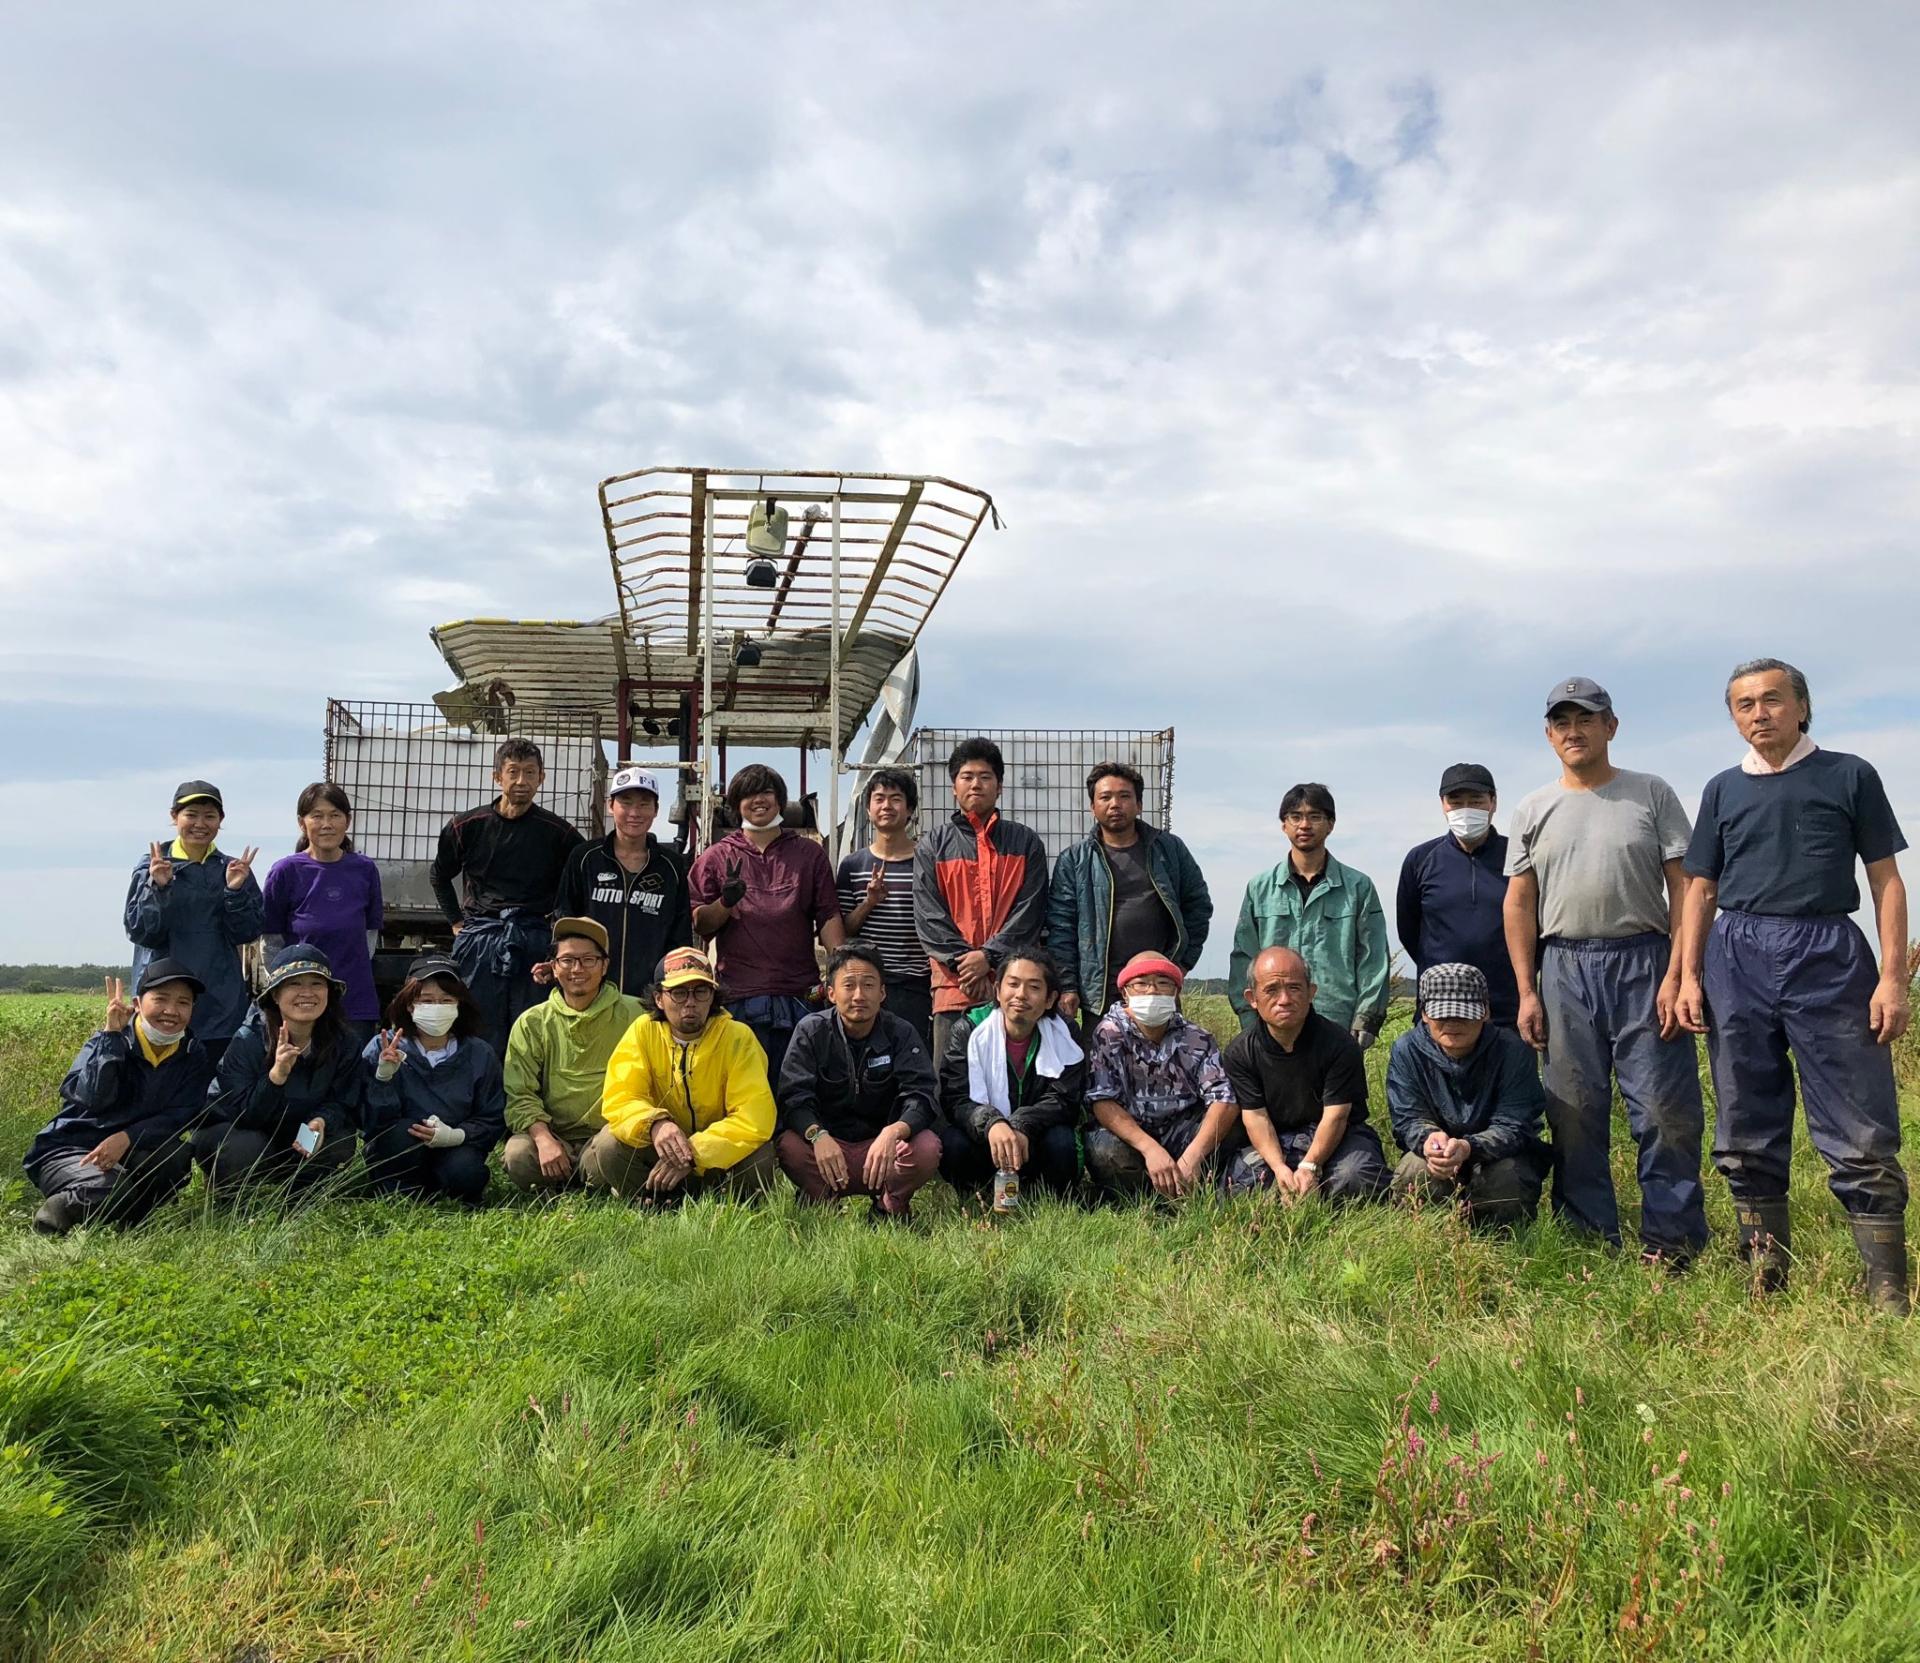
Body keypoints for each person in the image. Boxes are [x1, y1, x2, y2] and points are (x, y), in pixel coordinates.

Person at [1677, 658, 1912, 1312]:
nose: (1759, 713)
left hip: (1827, 951)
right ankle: (1765, 1276)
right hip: (1738, 953)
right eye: (1745, 704)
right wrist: (1690, 975)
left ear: (1801, 707)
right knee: (1743, 1119)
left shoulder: (1849, 775)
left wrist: (1892, 977)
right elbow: (1700, 888)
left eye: (1772, 700)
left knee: (1860, 1123)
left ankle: (1888, 1290)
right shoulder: (1722, 789)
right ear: (1733, 717)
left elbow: (1886, 881)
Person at [1502, 676, 1708, 1265]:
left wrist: (1679, 971)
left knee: (1664, 1109)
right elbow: (1519, 902)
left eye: (1585, 719)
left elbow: (1686, 887)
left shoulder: (1651, 793)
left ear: (1610, 726)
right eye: (1562, 723)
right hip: (1563, 966)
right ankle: (1589, 1239)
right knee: (1573, 1111)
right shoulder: (1533, 808)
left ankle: (1673, 1242)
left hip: (1645, 961)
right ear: (1549, 735)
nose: (1574, 731)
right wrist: (1526, 990)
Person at [24, 964, 214, 1235]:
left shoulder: (192, 1052)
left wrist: (127, 1136)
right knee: (111, 1189)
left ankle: (133, 1222)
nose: (171, 1011)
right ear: (137, 1003)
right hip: (69, 1149)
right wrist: (111, 1036)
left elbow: (182, 1113)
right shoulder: (107, 1040)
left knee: (174, 1157)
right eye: (160, 999)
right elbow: (93, 1098)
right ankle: (58, 1212)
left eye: (183, 1002)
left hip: (129, 1148)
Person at [689, 765, 845, 1078]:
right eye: (748, 794)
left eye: (766, 793)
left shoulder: (808, 854)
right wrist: (725, 903)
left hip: (800, 996)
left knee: (798, 1086)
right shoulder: (716, 856)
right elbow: (699, 924)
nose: (758, 800)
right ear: (736, 805)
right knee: (744, 1086)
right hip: (739, 998)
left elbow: (828, 914)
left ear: (780, 800)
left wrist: (842, 971)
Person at [431, 739, 585, 1050]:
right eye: (513, 772)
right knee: (477, 1029)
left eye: (530, 773)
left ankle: (526, 1097)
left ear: (541, 778)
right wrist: (456, 923)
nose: (521, 782)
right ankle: (482, 1097)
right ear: (496, 776)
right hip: (480, 937)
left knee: (532, 1030)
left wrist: (561, 933)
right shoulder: (467, 826)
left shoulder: (559, 833)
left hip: (534, 939)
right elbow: (439, 876)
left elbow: (579, 883)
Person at [595, 946, 780, 1201]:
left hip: (717, 1160)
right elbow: (620, 1098)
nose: (690, 1002)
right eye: (679, 993)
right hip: (661, 1155)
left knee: (761, 1151)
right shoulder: (642, 1031)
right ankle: (651, 1203)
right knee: (608, 1144)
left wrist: (694, 1153)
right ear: (659, 998)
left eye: (701, 991)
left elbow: (754, 1118)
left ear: (713, 996)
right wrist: (655, 1124)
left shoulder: (738, 1037)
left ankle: (731, 1210)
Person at [775, 944, 943, 1219]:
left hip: (882, 1148)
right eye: (849, 985)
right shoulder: (811, 1031)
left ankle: (889, 1206)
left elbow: (922, 1095)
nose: (858, 996)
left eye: (868, 985)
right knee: (789, 1145)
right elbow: (793, 1099)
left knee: (927, 1147)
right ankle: (822, 1202)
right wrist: (818, 1135)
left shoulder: (901, 1032)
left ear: (882, 992)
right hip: (828, 1146)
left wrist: (894, 1132)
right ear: (831, 993)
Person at [915, 737, 1051, 1062]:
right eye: (967, 776)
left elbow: (1029, 912)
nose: (976, 784)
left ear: (999, 786)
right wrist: (967, 966)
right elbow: (929, 917)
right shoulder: (932, 846)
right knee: (951, 1081)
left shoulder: (1026, 843)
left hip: (1013, 986)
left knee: (1011, 1075)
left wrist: (989, 959)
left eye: (985, 777)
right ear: (953, 786)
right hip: (954, 985)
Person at [1220, 947, 1392, 1204]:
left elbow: (1337, 1115)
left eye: (1294, 988)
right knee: (1240, 1187)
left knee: (1356, 1177)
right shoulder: (1240, 1052)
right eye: (1271, 990)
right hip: (1277, 1138)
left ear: (1311, 992)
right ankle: (1301, 1192)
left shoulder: (1340, 1044)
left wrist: (1310, 1166)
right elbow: (1255, 1116)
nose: (1285, 999)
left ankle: (1316, 1191)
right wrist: (1279, 1168)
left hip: (1341, 1134)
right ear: (1252, 998)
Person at [1048, 760, 1213, 1027]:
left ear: (1139, 805)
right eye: (1105, 797)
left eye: (1124, 796)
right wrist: (1067, 985)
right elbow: (1061, 927)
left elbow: (1198, 906)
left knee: (1163, 1061)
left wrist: (1180, 964)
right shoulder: (1074, 860)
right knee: (1102, 1062)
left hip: (1156, 985)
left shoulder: (1168, 850)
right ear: (1093, 808)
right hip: (1100, 991)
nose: (1115, 804)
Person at [1386, 963, 1552, 1228]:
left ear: (1485, 1012)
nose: (1452, 1023)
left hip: (1500, 1155)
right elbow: (1408, 1118)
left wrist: (1468, 1147)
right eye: (1442, 1014)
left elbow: (1515, 1126)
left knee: (1506, 1179)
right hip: (1437, 1155)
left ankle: (1498, 1240)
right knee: (1413, 1171)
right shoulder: (1406, 1050)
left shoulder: (1513, 1052)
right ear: (1425, 1013)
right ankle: (1424, 1236)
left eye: (1463, 1014)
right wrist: (1428, 1139)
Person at [1228, 783, 1390, 1047]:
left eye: (1315, 816)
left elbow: (1373, 959)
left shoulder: (1358, 887)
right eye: (1295, 817)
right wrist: (1249, 1017)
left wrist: (1366, 1019)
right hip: (1274, 1021)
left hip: (1338, 1021)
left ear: (1331, 824)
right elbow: (1243, 956)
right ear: (1284, 825)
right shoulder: (1260, 888)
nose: (1305, 825)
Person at [194, 945, 360, 1198]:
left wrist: (321, 1120)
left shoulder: (343, 1041)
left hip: (294, 1132)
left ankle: (298, 1193)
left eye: (317, 984)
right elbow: (244, 1115)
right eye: (294, 984)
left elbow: (342, 1099)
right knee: (246, 1147)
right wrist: (276, 1077)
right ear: (275, 995)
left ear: (329, 992)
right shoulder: (248, 1039)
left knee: (338, 1142)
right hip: (239, 1129)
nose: (307, 993)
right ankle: (228, 1189)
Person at [499, 918, 647, 1193]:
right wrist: (544, 1139)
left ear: (604, 966)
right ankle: (581, 1176)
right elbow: (520, 1094)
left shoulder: (636, 1014)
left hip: (609, 1135)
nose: (577, 969)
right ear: (553, 967)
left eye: (589, 960)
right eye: (567, 960)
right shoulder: (532, 1022)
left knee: (611, 1147)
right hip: (555, 1138)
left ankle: (585, 1177)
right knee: (518, 1155)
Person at [123, 779, 264, 1066]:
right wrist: (158, 889)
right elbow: (140, 931)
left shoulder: (234, 869)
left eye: (210, 816)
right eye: (191, 814)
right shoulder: (152, 866)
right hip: (163, 994)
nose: (200, 823)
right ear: (174, 817)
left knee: (214, 1087)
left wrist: (234, 892)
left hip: (220, 997)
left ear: (220, 821)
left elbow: (248, 932)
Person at [1083, 951, 1240, 1201]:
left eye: (1163, 983)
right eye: (1141, 983)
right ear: (1125, 992)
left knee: (1231, 1128)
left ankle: (1193, 1186)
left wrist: (1194, 1155)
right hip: (1133, 1136)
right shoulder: (1109, 1034)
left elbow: (1224, 1097)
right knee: (1104, 1150)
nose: (1152, 991)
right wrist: (1150, 1149)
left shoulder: (1197, 1038)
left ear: (1176, 991)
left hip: (1183, 1134)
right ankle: (1144, 1197)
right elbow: (1102, 1100)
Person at [938, 946, 1086, 1199]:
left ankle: (1044, 1196)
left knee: (1062, 1142)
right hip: (987, 1139)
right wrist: (992, 1123)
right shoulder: (970, 1029)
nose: (1021, 995)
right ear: (997, 990)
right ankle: (977, 1195)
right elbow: (955, 1097)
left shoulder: (1066, 1034)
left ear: (1050, 999)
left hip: (1036, 1138)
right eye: (1013, 984)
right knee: (953, 1143)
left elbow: (1065, 1099)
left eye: (1034, 987)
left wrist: (1022, 1124)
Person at [359, 953, 506, 1206]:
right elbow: (367, 1120)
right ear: (409, 1005)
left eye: (446, 1000)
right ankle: (398, 1192)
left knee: (466, 1171)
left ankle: (450, 1191)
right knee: (398, 1137)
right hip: (400, 1148)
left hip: (455, 1147)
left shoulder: (479, 1053)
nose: (436, 1007)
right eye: (426, 1000)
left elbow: (492, 1116)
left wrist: (457, 1135)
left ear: (459, 1005)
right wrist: (383, 1078)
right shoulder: (383, 1048)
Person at [1395, 763, 1519, 1026]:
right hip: (1439, 1010)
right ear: (1443, 804)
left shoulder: (1518, 857)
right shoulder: (1420, 859)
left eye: (1476, 801)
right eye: (1456, 801)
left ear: (1493, 802)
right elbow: (1409, 930)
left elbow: (1537, 927)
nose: (1466, 810)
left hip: (1507, 1010)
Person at [263, 782, 385, 1047]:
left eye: (335, 815)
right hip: (301, 1005)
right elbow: (271, 941)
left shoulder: (364, 869)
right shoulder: (285, 871)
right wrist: (285, 991)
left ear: (348, 821)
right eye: (317, 816)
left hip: (354, 1001)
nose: (326, 824)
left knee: (352, 1079)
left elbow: (369, 937)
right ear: (302, 823)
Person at [553, 765, 692, 996]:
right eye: (626, 802)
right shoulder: (585, 858)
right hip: (591, 993)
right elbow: (564, 918)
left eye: (644, 804)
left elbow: (681, 934)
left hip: (650, 997)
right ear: (610, 806)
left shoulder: (672, 866)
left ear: (656, 810)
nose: (634, 813)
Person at [837, 767, 933, 1045]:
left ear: (910, 809)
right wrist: (870, 902)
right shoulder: (853, 865)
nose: (886, 806)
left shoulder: (928, 862)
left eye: (895, 799)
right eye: (879, 799)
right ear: (868, 809)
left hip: (916, 985)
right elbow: (844, 930)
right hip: (867, 984)